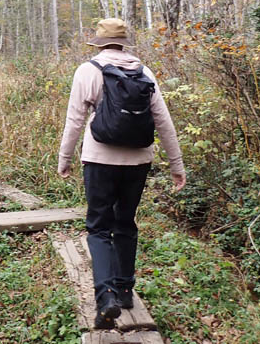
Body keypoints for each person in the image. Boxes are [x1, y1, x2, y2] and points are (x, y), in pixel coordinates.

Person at [57, 18, 186, 330]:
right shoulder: (144, 72)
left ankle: (106, 297)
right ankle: (125, 290)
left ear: (99, 42)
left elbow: (75, 119)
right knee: (125, 222)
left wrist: (64, 158)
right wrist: (176, 165)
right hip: (139, 162)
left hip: (99, 160)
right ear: (124, 43)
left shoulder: (88, 70)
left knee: (99, 227)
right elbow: (164, 122)